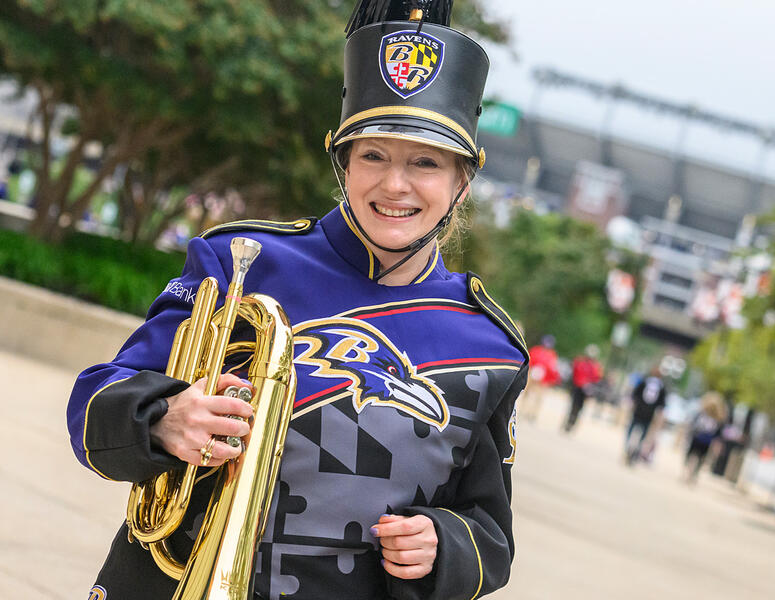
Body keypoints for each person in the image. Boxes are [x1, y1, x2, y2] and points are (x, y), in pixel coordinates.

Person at [66, 3, 528, 599]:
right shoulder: (240, 262)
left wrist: (444, 544)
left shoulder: (490, 346)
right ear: (341, 159)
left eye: (425, 163)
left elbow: (491, 534)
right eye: (373, 156)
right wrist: (163, 417)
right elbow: (95, 400)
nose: (394, 184)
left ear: (464, 179)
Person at [623, 367, 667, 465]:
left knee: (631, 428)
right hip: (649, 414)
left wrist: (633, 405)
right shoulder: (662, 387)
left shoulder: (644, 382)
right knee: (644, 434)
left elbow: (635, 394)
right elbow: (662, 405)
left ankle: (628, 446)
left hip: (638, 410)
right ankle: (637, 449)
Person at [682, 392, 727, 484]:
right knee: (691, 456)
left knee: (700, 458)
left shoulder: (717, 419)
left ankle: (693, 474)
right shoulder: (701, 413)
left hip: (706, 441)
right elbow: (693, 424)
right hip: (697, 438)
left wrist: (717, 444)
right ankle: (689, 472)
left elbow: (718, 433)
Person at [517, 334, 560, 422]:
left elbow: (552, 367)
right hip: (532, 374)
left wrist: (548, 379)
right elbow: (529, 361)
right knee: (526, 392)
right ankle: (523, 409)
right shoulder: (536, 350)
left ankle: (533, 413)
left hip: (543, 379)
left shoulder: (552, 355)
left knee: (539, 397)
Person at [563, 344, 603, 433]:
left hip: (586, 390)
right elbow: (574, 373)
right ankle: (569, 422)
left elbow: (596, 378)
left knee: (579, 408)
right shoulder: (580, 361)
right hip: (577, 387)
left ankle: (572, 423)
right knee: (573, 406)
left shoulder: (595, 366)